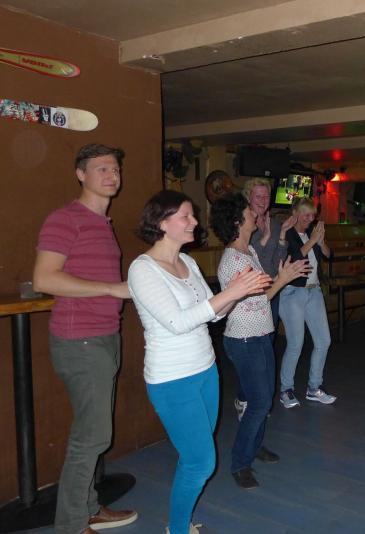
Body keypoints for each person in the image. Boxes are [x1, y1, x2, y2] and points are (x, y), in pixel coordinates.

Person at [128, 191, 269, 534]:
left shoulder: (187, 263)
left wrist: (238, 290)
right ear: (162, 223)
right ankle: (177, 529)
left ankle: (180, 523)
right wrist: (231, 292)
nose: (194, 221)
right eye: (186, 216)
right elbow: (177, 322)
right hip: (172, 379)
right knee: (201, 462)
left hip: (205, 370)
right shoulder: (143, 269)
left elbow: (214, 315)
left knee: (195, 456)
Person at [33, 143, 138, 534]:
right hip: (81, 340)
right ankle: (72, 525)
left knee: (95, 432)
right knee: (91, 436)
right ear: (80, 174)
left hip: (104, 336)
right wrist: (111, 289)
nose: (111, 175)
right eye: (101, 169)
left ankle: (89, 508)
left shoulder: (102, 223)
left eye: (115, 169)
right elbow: (44, 279)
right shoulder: (65, 219)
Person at [210, 194, 309, 488]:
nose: (254, 214)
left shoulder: (249, 250)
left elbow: (262, 295)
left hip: (261, 334)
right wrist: (284, 279)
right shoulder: (233, 260)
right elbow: (254, 298)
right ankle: (240, 462)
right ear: (237, 221)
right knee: (260, 402)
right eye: (248, 211)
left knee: (263, 399)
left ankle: (254, 446)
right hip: (244, 340)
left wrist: (281, 276)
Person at [231, 177, 295, 420]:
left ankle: (258, 399)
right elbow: (253, 259)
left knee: (267, 345)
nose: (263, 200)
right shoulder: (243, 224)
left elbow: (277, 260)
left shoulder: (274, 223)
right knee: (252, 351)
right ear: (248, 197)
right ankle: (245, 398)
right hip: (250, 292)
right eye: (258, 196)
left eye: (266, 196)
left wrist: (281, 235)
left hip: (272, 289)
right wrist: (267, 237)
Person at [278, 197, 336, 407]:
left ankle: (314, 387)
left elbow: (329, 255)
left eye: (312, 215)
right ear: (295, 214)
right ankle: (286, 389)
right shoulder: (287, 234)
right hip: (292, 292)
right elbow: (295, 257)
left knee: (323, 341)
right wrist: (312, 240)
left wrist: (321, 242)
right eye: (305, 214)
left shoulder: (312, 234)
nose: (309, 219)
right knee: (296, 343)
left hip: (314, 291)